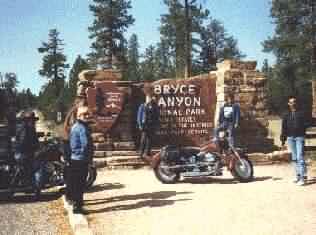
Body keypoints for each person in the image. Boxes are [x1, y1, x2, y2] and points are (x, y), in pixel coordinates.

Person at [69, 106, 93, 213]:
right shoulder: (82, 128)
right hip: (81, 158)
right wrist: (89, 157)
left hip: (74, 157)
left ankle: (75, 203)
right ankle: (78, 207)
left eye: (88, 114)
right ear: (79, 116)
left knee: (76, 182)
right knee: (80, 184)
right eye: (84, 114)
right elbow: (86, 144)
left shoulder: (75, 126)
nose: (87, 116)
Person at [280, 96, 308, 186]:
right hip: (290, 137)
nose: (293, 103)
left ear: (297, 103)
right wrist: (283, 140)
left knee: (300, 156)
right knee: (294, 158)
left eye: (294, 102)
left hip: (299, 137)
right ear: (288, 104)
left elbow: (307, 123)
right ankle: (298, 175)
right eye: (291, 102)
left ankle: (303, 177)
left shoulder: (302, 113)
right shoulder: (286, 114)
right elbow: (283, 128)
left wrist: (302, 129)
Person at [15, 111, 40, 193]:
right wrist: (34, 148)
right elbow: (24, 142)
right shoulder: (26, 129)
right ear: (27, 120)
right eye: (31, 120)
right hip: (24, 153)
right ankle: (33, 185)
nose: (33, 122)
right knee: (36, 166)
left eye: (33, 120)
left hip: (23, 152)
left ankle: (31, 185)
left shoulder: (26, 128)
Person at [137, 95, 160, 160]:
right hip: (145, 125)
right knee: (143, 140)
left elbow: (157, 116)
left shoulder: (155, 106)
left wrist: (156, 125)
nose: (150, 100)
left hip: (151, 125)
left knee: (149, 140)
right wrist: (140, 124)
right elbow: (139, 116)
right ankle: (141, 153)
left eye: (151, 99)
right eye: (149, 99)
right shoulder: (143, 106)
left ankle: (147, 153)